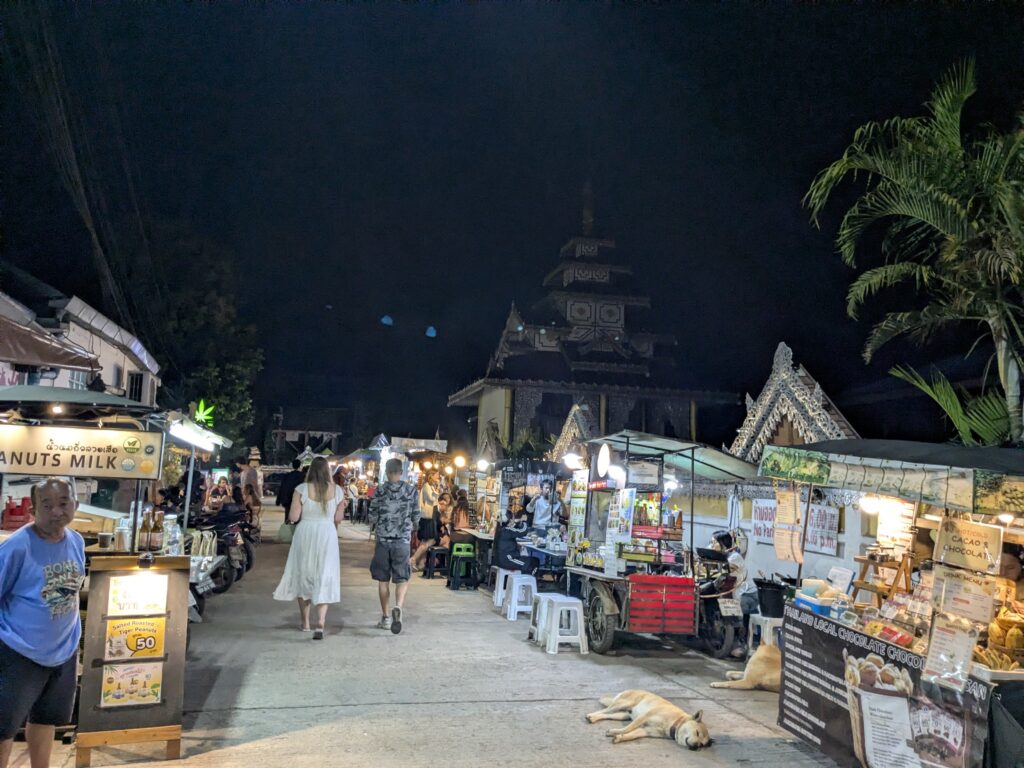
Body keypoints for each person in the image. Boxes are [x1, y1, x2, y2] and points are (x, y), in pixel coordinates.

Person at [0, 478, 85, 768]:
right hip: (18, 652)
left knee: (46, 719)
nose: (56, 512)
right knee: (3, 727)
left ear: (75, 504)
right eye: (46, 505)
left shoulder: (76, 541)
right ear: (33, 509)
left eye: (64, 503)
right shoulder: (17, 547)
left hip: (63, 650)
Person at [272, 456, 344, 640]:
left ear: (310, 470)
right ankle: (320, 623)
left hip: (305, 533)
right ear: (328, 470)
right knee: (324, 574)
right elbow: (337, 518)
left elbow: (294, 517)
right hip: (327, 534)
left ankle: (305, 623)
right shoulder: (338, 491)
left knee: (304, 573)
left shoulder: (301, 489)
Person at [368, 458, 419, 634]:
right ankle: (398, 606)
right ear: (401, 471)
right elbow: (416, 515)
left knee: (383, 580)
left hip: (383, 540)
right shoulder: (411, 491)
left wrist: (375, 526)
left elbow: (372, 514)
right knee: (402, 578)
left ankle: (386, 617)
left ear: (387, 472)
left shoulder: (380, 490)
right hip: (402, 541)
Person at [709, 530, 758, 657]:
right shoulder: (726, 556)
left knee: (733, 612)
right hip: (737, 592)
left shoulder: (734, 557)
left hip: (747, 595)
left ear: (722, 544)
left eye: (714, 542)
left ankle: (740, 645)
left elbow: (727, 569)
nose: (712, 545)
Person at [411, 492, 452, 571]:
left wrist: (442, 525)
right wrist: (443, 523)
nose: (446, 508)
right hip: (432, 534)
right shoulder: (435, 509)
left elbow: (438, 523)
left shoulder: (434, 509)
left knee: (425, 544)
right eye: (446, 505)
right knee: (442, 542)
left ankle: (421, 564)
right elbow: (438, 522)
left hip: (427, 532)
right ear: (442, 502)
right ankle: (443, 567)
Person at [494, 509, 539, 575]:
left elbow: (514, 529)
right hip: (508, 560)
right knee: (532, 563)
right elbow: (523, 531)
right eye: (513, 518)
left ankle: (526, 580)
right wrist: (524, 521)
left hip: (500, 560)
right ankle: (525, 582)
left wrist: (518, 523)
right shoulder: (507, 530)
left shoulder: (500, 529)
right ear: (510, 520)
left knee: (534, 560)